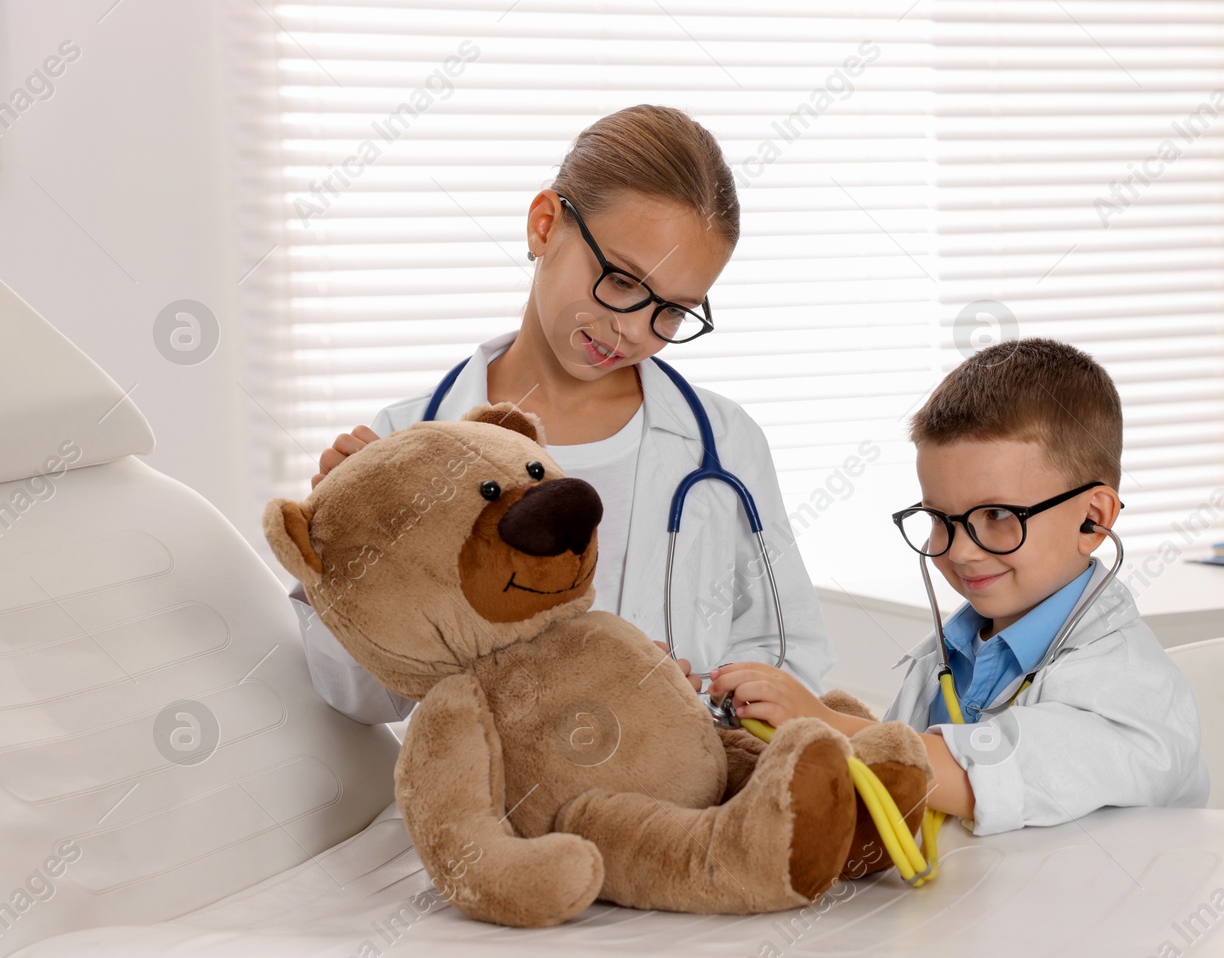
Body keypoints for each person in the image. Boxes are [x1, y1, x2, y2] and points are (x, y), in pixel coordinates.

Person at [291, 105, 834, 724]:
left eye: (673, 312)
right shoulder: (406, 443)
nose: (631, 330)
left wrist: (699, 699)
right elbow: (359, 698)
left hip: (673, 797)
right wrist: (350, 542)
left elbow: (787, 655)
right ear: (545, 224)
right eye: (623, 281)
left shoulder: (723, 442)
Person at [709, 338, 1210, 835]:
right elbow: (889, 796)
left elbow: (992, 773)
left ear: (1092, 519)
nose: (960, 550)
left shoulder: (1130, 686)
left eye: (996, 515)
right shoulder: (949, 659)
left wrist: (821, 723)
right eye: (939, 518)